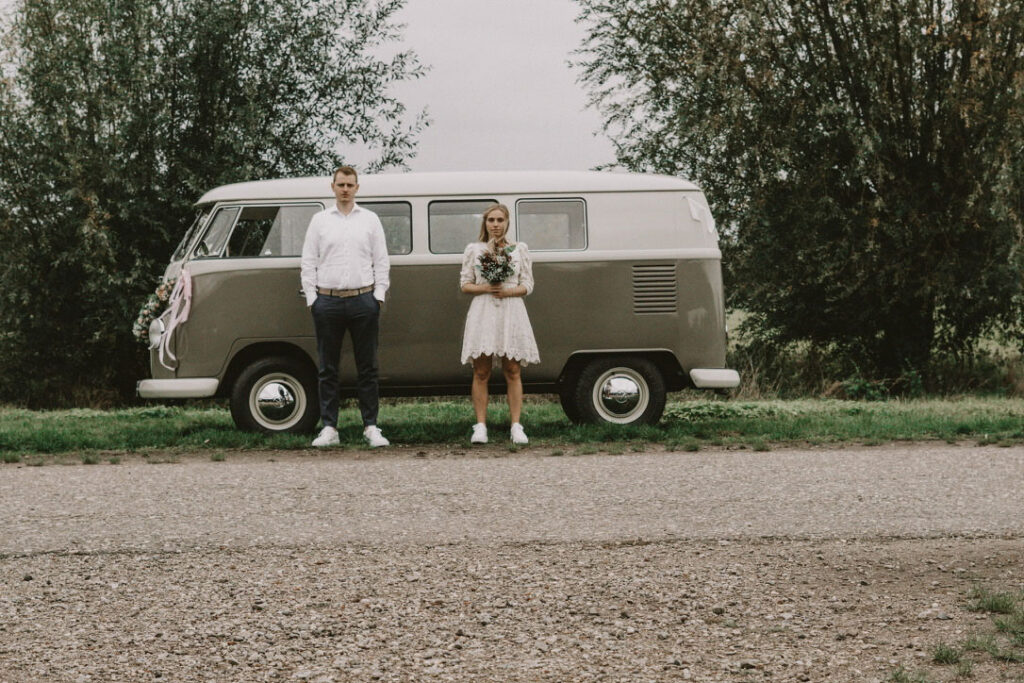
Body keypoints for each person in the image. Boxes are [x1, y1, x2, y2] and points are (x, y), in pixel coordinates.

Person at [300, 166, 390, 448]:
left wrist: (378, 296)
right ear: (332, 186)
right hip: (327, 301)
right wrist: (313, 300)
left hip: (364, 300)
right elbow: (308, 261)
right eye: (341, 184)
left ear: (357, 188)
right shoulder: (319, 221)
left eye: (350, 184)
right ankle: (329, 428)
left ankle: (371, 427)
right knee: (328, 368)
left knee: (368, 367)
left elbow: (381, 260)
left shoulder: (371, 220)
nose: (345, 189)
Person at [459, 203, 540, 444]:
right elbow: (465, 284)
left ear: (507, 223)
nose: (495, 225)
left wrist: (508, 292)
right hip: (484, 310)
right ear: (485, 223)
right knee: (481, 371)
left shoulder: (518, 250)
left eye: (500, 220)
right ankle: (480, 426)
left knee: (513, 370)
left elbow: (528, 284)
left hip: (511, 311)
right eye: (491, 220)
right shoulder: (475, 249)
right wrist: (486, 287)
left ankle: (516, 425)